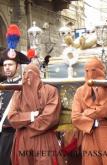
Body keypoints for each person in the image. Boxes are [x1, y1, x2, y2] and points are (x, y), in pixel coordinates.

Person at [71, 57, 107, 165]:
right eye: (87, 70)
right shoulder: (80, 92)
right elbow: (75, 117)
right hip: (90, 135)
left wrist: (87, 113)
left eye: (94, 70)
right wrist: (94, 122)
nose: (90, 73)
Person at [7, 64, 64, 165]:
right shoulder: (18, 93)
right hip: (23, 141)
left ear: (38, 76)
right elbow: (12, 118)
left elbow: (50, 118)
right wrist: (32, 115)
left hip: (44, 138)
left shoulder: (50, 91)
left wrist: (24, 123)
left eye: (31, 75)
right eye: (25, 75)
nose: (28, 79)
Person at [0, 24, 30, 165]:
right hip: (2, 134)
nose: (7, 68)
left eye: (10, 65)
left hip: (17, 132)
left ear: (17, 66)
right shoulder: (1, 86)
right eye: (5, 65)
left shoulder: (24, 85)